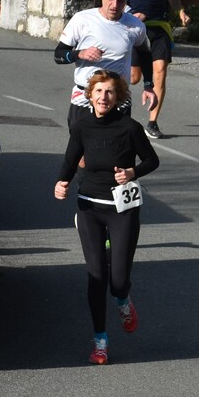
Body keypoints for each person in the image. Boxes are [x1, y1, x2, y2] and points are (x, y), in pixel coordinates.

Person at [53, 70, 159, 366]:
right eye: (98, 91)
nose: (103, 97)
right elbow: (70, 159)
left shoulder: (130, 128)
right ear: (90, 95)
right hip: (89, 207)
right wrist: (61, 182)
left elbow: (152, 160)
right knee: (96, 276)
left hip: (122, 210)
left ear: (118, 97)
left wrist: (132, 172)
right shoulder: (82, 127)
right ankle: (100, 341)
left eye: (109, 92)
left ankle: (123, 300)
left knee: (118, 280)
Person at [54, 0, 156, 129]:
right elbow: (58, 55)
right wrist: (79, 54)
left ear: (126, 1)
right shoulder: (82, 19)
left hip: (118, 97)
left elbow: (145, 54)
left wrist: (148, 85)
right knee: (82, 144)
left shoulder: (136, 26)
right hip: (85, 96)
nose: (115, 5)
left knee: (117, 143)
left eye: (121, 1)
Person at [126, 0, 192, 140]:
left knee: (160, 72)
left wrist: (181, 12)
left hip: (160, 28)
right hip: (138, 29)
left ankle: (152, 122)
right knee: (134, 78)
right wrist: (130, 14)